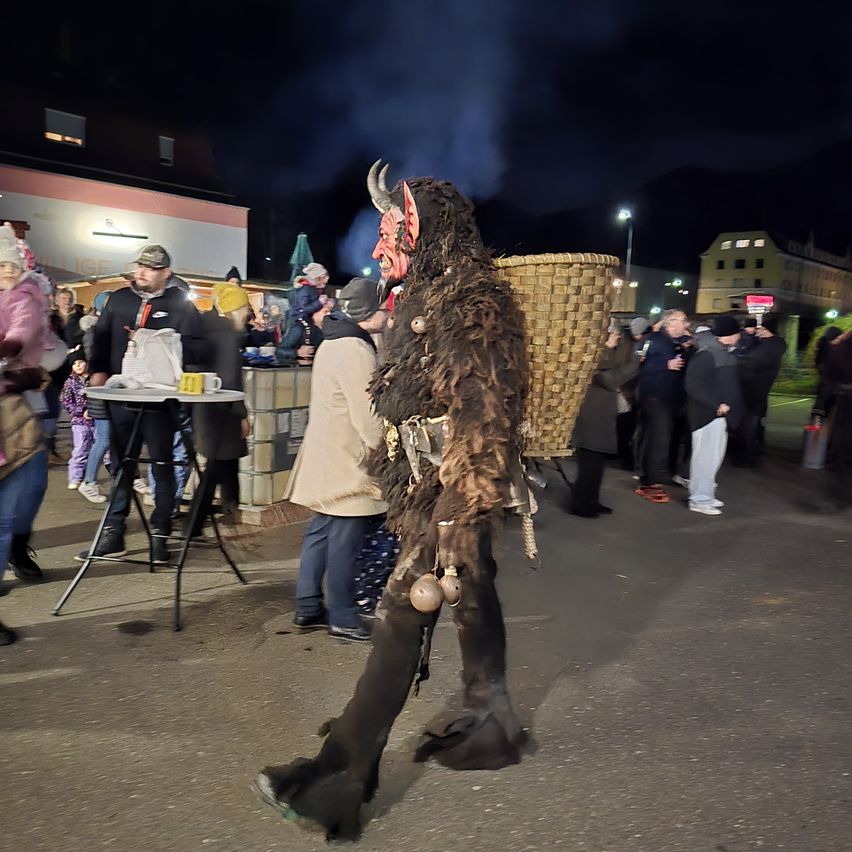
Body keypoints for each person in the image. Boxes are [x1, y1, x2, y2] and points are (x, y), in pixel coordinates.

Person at [256, 163, 530, 839]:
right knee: (474, 596)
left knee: (401, 615)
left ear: (425, 232)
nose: (378, 249)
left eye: (389, 234)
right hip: (431, 489)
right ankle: (488, 719)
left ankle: (339, 775)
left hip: (453, 494)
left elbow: (483, 418)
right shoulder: (431, 295)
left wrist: (451, 516)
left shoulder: (472, 301)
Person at [76, 244, 207, 565]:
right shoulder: (119, 299)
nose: (142, 272)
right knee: (121, 466)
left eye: (151, 268)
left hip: (161, 401)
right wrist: (96, 373)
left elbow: (194, 350)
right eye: (140, 266)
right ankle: (113, 532)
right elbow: (101, 339)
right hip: (121, 397)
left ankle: (160, 534)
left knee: (161, 465)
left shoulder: (179, 305)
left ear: (166, 273)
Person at [286, 276, 388, 642]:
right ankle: (343, 615)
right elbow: (368, 417)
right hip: (347, 459)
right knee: (346, 536)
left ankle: (308, 605)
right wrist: (386, 447)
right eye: (383, 307)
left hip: (328, 451)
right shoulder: (355, 350)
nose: (388, 313)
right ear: (369, 312)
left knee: (322, 531)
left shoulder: (335, 340)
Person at [0, 225, 50, 643]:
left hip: (20, 412)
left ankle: (18, 547)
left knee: (27, 493)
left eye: (7, 265)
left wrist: (31, 372)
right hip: (10, 410)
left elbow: (23, 334)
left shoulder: (27, 298)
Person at [190, 283, 251, 535]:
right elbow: (230, 380)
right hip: (223, 411)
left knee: (225, 463)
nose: (248, 312)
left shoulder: (206, 328)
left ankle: (231, 509)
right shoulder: (226, 334)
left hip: (206, 407)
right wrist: (242, 414)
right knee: (215, 466)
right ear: (234, 308)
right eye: (245, 307)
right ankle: (193, 524)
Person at [571, 326, 639, 516]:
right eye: (614, 335)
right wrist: (608, 349)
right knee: (589, 461)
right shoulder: (592, 353)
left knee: (598, 462)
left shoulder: (611, 355)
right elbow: (607, 378)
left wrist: (616, 368)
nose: (617, 338)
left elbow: (624, 370)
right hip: (592, 411)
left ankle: (592, 500)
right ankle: (580, 503)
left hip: (603, 411)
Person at [684, 316, 743, 515]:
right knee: (704, 459)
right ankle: (699, 499)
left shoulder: (720, 352)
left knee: (712, 458)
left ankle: (706, 493)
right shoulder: (707, 354)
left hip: (718, 415)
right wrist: (716, 404)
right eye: (737, 332)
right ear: (729, 335)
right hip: (707, 415)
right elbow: (693, 385)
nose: (740, 336)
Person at [636, 309, 690, 503]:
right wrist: (664, 365)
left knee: (664, 440)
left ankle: (656, 475)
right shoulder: (655, 340)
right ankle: (650, 482)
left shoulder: (675, 342)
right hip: (655, 398)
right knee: (659, 439)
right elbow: (639, 363)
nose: (687, 324)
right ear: (670, 322)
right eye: (683, 320)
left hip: (669, 399)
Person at [733, 314, 786, 466]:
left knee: (749, 424)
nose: (758, 331)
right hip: (754, 388)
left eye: (761, 328)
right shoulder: (765, 343)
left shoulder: (772, 345)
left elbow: (752, 361)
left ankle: (746, 457)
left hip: (755, 389)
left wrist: (732, 358)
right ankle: (745, 454)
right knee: (748, 424)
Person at [822, 328, 852, 508]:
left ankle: (840, 460)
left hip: (846, 393)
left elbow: (832, 369)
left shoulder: (845, 344)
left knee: (843, 428)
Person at [60, 357, 96, 492]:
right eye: (74, 363)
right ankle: (74, 478)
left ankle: (93, 477)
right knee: (80, 450)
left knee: (103, 451)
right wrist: (81, 411)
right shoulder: (70, 382)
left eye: (81, 361)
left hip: (97, 419)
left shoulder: (94, 379)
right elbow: (67, 402)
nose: (78, 365)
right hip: (79, 422)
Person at [275, 297, 333, 365]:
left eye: (330, 312)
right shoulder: (300, 328)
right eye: (325, 312)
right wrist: (297, 352)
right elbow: (279, 351)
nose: (329, 314)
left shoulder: (330, 329)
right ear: (314, 312)